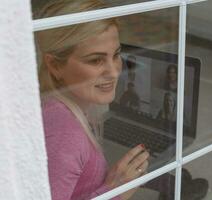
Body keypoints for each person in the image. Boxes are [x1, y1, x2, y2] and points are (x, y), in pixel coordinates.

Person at [36, 1, 149, 199]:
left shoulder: (57, 107)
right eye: (95, 60)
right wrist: (115, 192)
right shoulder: (66, 136)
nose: (114, 72)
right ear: (54, 65)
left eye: (116, 55)